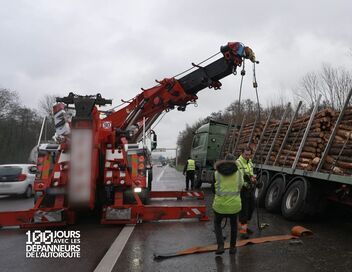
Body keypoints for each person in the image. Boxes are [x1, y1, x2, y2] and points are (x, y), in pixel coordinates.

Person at [212, 154, 244, 255]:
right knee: (234, 225)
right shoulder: (239, 173)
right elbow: (240, 186)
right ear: (234, 161)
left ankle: (220, 245)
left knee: (217, 223)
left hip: (220, 205)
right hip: (234, 205)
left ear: (225, 161)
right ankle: (232, 248)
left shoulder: (217, 173)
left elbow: (214, 188)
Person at [236, 147, 256, 239]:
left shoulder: (250, 162)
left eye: (249, 154)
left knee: (251, 208)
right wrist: (246, 182)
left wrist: (254, 179)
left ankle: (245, 226)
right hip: (242, 189)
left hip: (250, 188)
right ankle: (243, 231)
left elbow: (251, 173)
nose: (248, 156)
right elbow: (239, 178)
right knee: (244, 210)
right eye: (246, 155)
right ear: (242, 153)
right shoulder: (238, 162)